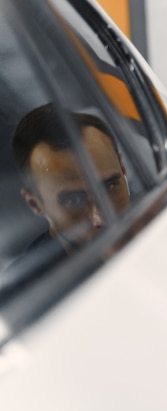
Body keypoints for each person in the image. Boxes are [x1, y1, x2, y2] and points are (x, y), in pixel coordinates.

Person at [3, 103, 131, 288]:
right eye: (74, 200)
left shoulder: (160, 215)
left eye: (109, 186)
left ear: (123, 167)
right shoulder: (20, 289)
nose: (99, 218)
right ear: (35, 204)